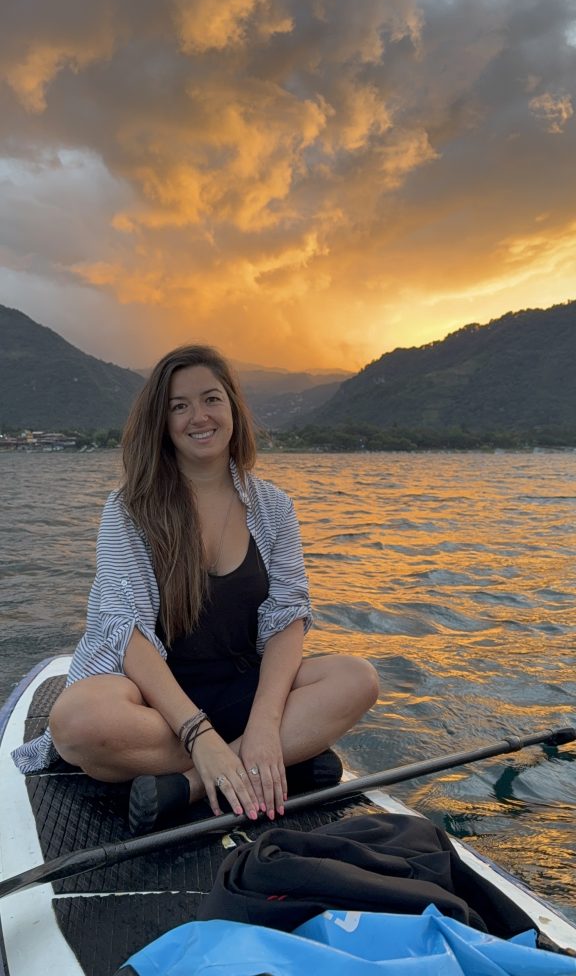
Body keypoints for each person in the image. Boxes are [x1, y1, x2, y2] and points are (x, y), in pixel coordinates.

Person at [12, 345, 379, 834]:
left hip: (242, 688)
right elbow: (128, 632)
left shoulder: (273, 507)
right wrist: (196, 733)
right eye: (178, 406)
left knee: (358, 679)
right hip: (156, 702)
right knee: (77, 721)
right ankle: (273, 762)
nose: (198, 417)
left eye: (210, 399)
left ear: (232, 408)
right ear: (161, 423)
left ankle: (195, 783)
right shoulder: (129, 509)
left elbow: (287, 616)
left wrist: (268, 723)